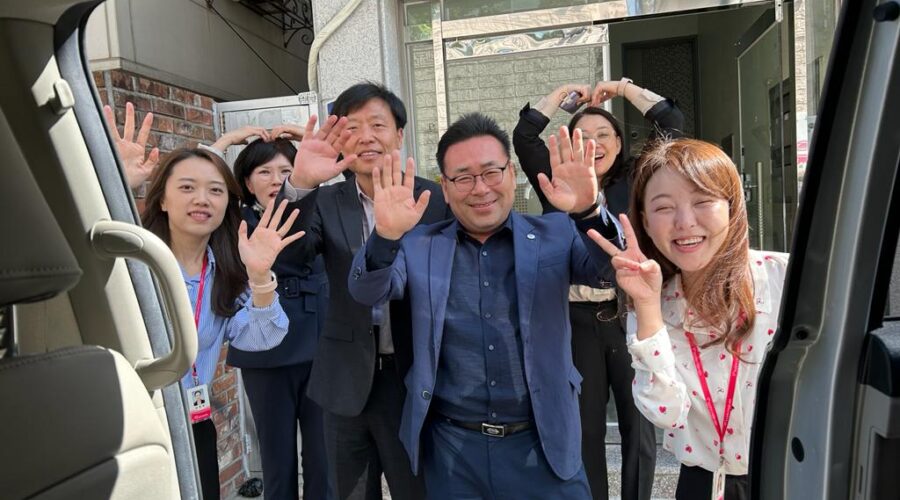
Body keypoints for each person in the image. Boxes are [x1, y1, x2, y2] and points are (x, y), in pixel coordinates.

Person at [347, 112, 619, 499]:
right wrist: (386, 236)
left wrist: (588, 210)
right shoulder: (419, 244)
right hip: (453, 451)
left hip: (543, 444)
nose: (480, 189)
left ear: (511, 174)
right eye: (463, 177)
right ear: (444, 185)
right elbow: (367, 292)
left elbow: (609, 272)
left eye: (491, 172)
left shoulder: (555, 233)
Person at [107, 103, 301, 499]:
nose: (202, 199)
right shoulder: (132, 263)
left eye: (215, 190)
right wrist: (116, 186)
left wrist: (261, 278)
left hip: (196, 424)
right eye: (187, 188)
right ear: (161, 200)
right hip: (134, 426)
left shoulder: (226, 274)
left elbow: (258, 339)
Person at [513, 78, 685, 500]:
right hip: (576, 321)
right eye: (582, 136)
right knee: (585, 427)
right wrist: (560, 95)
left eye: (603, 135)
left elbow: (671, 122)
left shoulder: (641, 179)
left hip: (629, 315)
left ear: (620, 143)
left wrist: (623, 90)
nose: (593, 143)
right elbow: (525, 135)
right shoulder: (554, 184)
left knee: (638, 426)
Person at [278, 82, 451, 500]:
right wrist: (300, 182)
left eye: (378, 124)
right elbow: (289, 259)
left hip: (414, 376)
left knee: (418, 489)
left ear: (400, 135)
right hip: (343, 379)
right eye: (353, 127)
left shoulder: (436, 199)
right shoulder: (325, 200)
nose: (367, 136)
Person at [589, 138, 788, 500]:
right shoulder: (655, 303)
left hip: (789, 477)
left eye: (702, 201)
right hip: (702, 483)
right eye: (664, 208)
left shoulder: (784, 279)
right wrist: (647, 305)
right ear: (645, 223)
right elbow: (664, 412)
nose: (685, 222)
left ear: (732, 207)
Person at [203, 127, 333, 500]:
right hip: (264, 348)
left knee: (323, 458)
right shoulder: (232, 218)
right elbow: (200, 178)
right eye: (265, 171)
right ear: (246, 179)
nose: (277, 180)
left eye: (286, 170)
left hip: (319, 345)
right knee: (277, 461)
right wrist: (226, 142)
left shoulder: (318, 204)